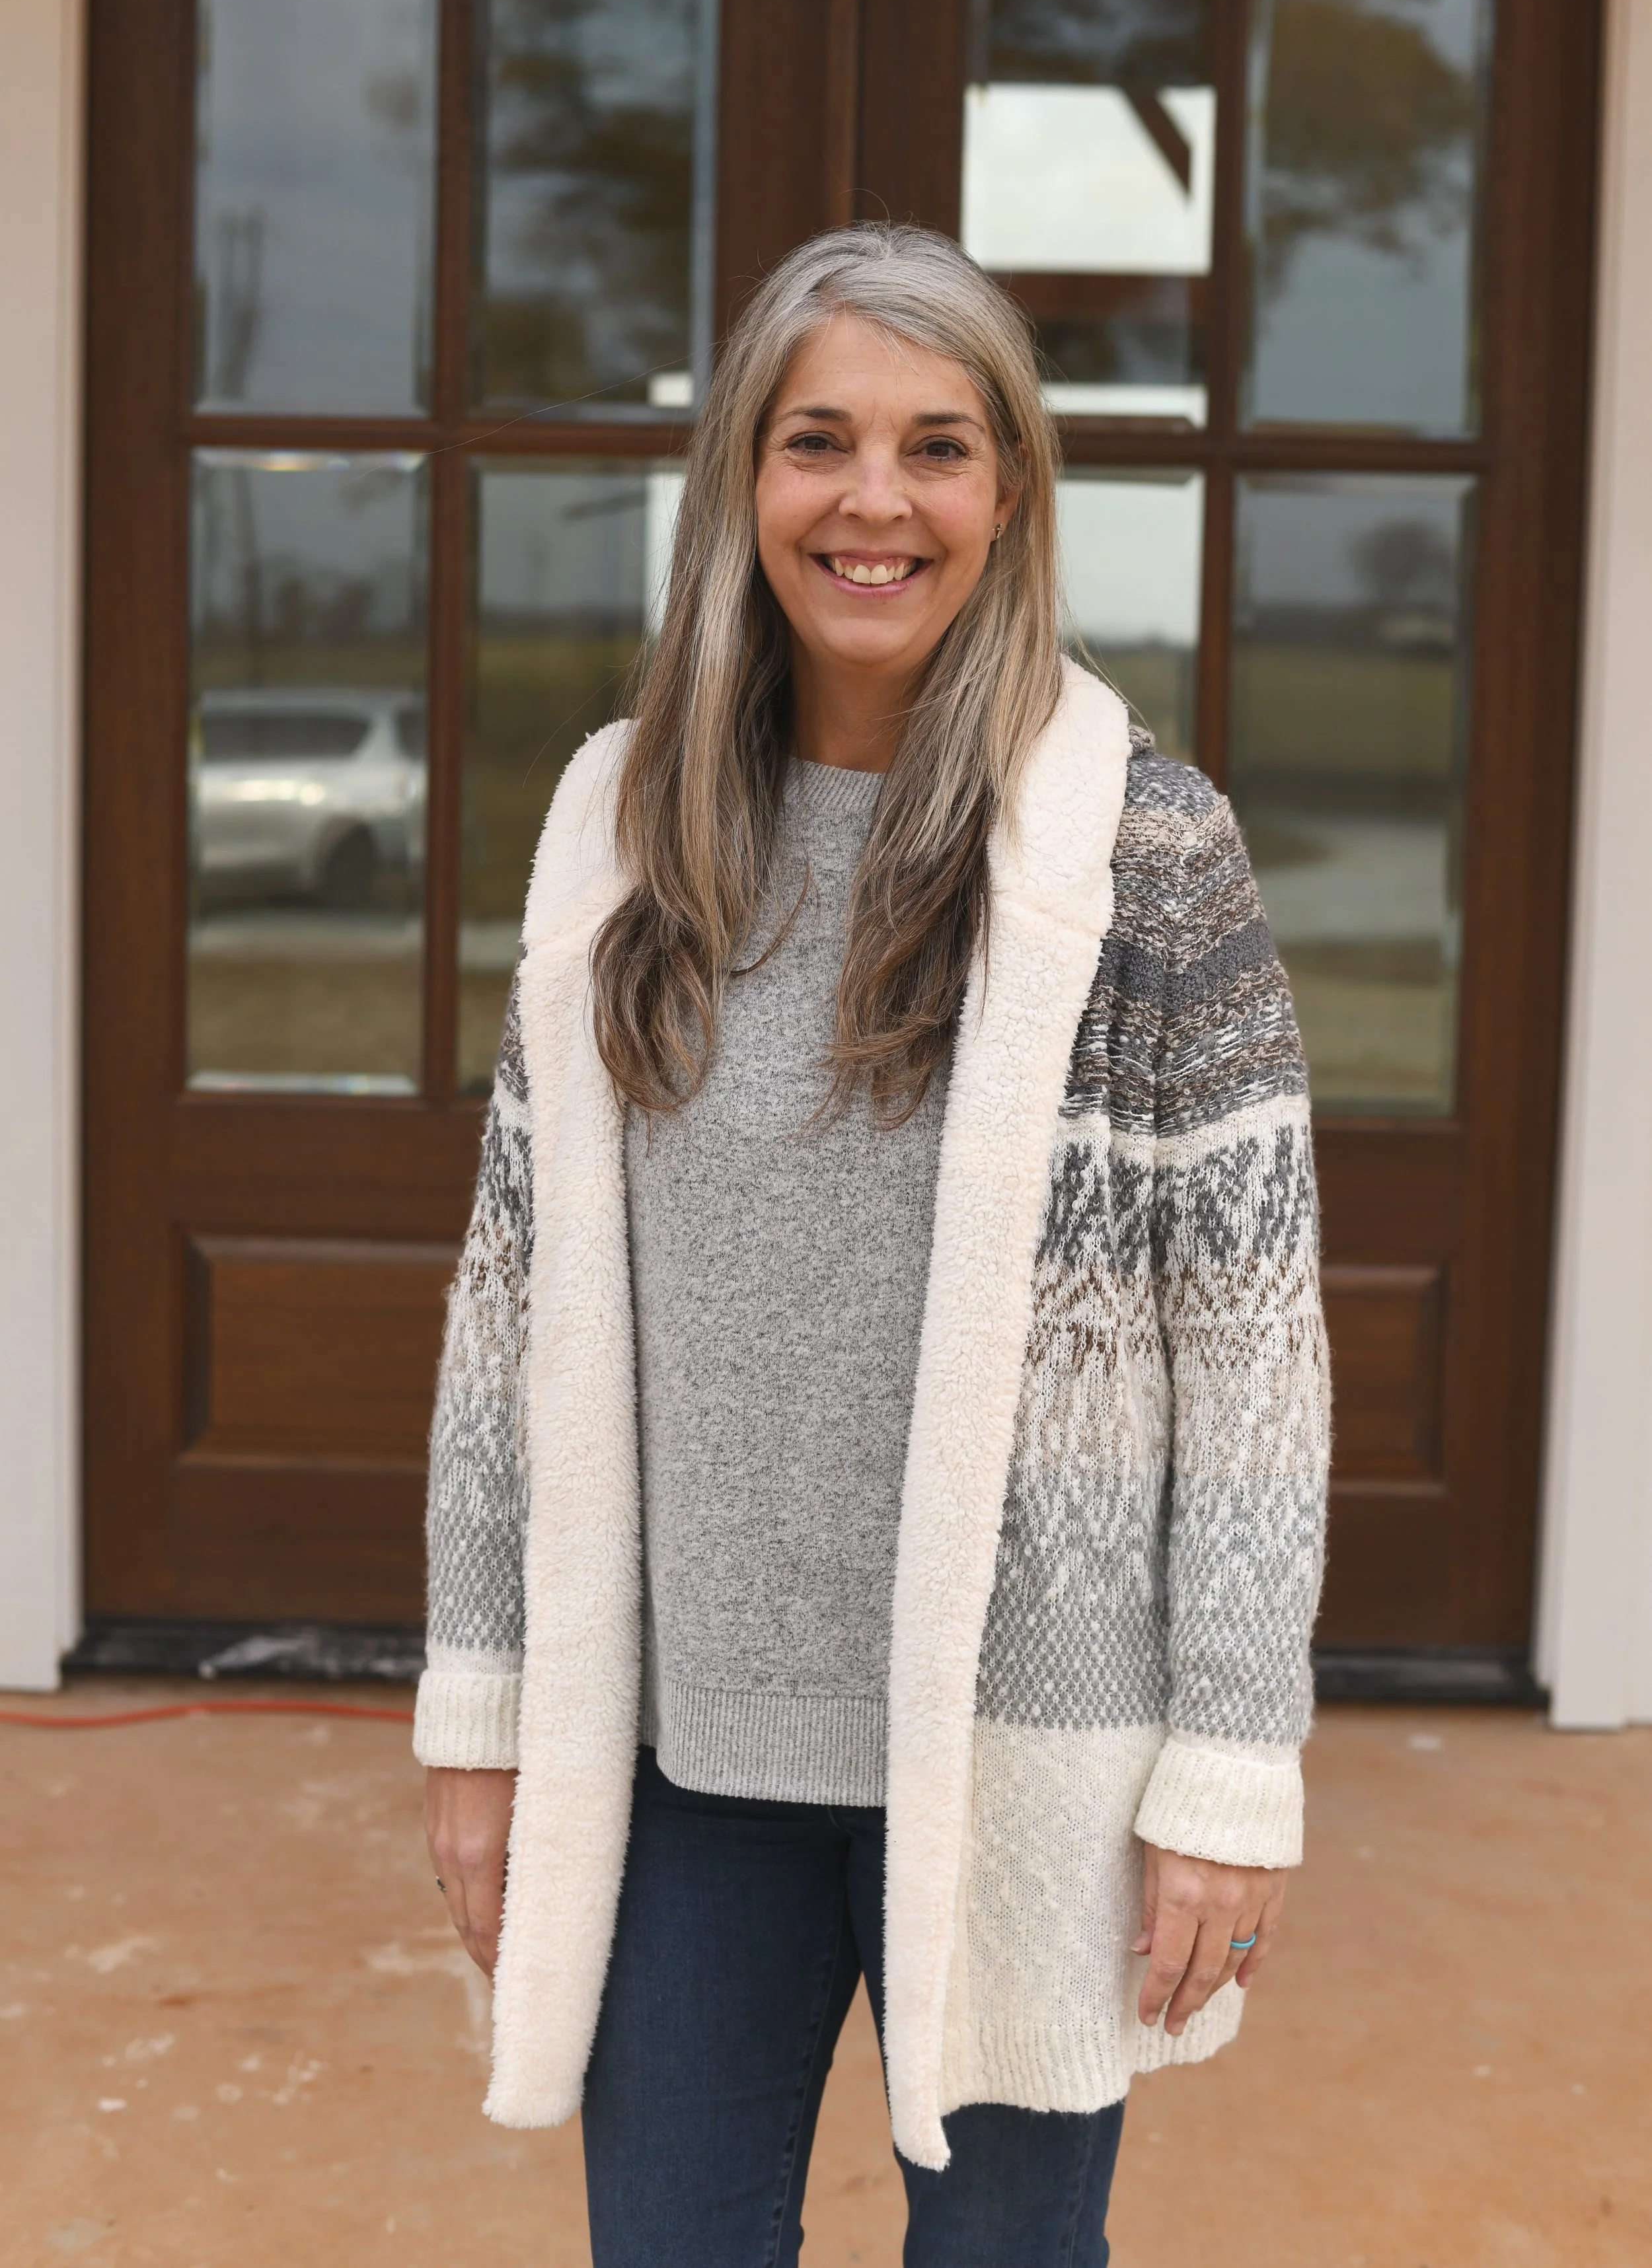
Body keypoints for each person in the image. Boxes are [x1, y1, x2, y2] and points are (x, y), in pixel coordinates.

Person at [415, 222, 1331, 2267]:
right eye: (817, 439)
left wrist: (1227, 1761)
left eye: (936, 447)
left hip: (1026, 1760)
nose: (873, 501)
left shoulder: (1140, 849)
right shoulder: (620, 828)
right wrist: (479, 1718)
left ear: (1008, 493)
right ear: (742, 476)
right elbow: (511, 1298)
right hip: (678, 1770)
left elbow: (1249, 1339)